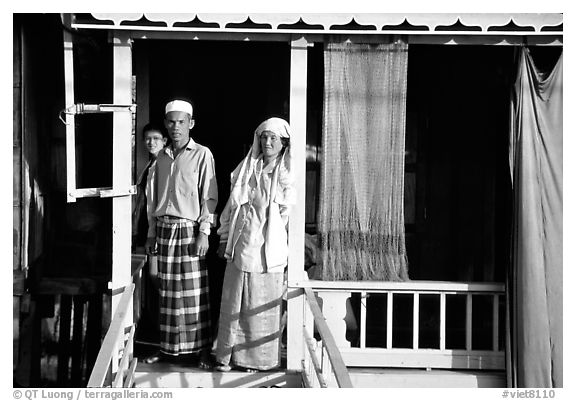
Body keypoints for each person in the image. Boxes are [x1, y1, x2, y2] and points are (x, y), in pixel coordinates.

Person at [214, 117, 293, 372]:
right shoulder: (249, 168)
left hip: (267, 251)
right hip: (242, 245)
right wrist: (224, 236)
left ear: (284, 143)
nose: (268, 142)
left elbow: (287, 216)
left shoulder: (286, 174)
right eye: (264, 137)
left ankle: (257, 362)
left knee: (258, 309)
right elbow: (232, 206)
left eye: (273, 138)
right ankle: (226, 357)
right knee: (234, 303)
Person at [144, 99, 218, 369]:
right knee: (168, 294)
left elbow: (208, 196)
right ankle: (167, 350)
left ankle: (201, 350)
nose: (176, 127)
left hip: (189, 230)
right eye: (172, 122)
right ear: (166, 124)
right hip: (163, 229)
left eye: (181, 122)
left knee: (193, 293)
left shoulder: (202, 154)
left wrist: (204, 232)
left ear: (191, 124)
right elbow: (152, 199)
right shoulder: (160, 158)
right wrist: (151, 232)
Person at [132, 123, 168, 249]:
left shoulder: (166, 165)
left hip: (156, 226)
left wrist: (153, 233)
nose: (151, 142)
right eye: (148, 138)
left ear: (164, 141)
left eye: (156, 138)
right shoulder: (149, 165)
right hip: (144, 223)